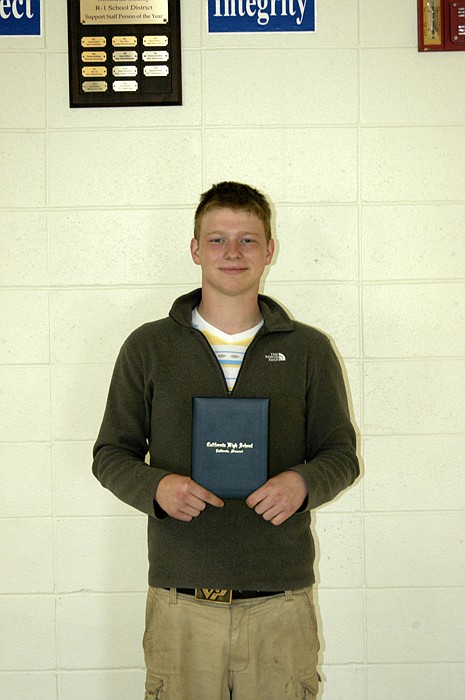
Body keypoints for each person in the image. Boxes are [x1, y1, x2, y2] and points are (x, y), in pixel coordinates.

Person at [92, 181, 359, 700]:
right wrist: (157, 487)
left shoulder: (308, 349)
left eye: (247, 240)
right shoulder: (149, 346)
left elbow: (341, 455)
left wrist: (302, 483)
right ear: (194, 249)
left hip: (280, 600)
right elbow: (110, 455)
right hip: (181, 600)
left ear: (269, 250)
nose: (232, 253)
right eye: (216, 240)